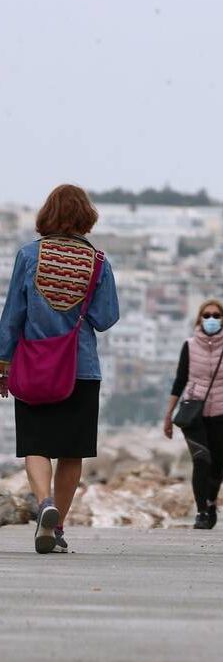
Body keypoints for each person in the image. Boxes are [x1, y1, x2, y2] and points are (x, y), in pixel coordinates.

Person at [0, 184, 119, 554]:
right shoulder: (98, 262)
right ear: (87, 217)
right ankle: (57, 528)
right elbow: (105, 317)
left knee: (35, 444)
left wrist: (3, 364)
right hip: (80, 369)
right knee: (72, 452)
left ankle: (44, 504)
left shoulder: (28, 255)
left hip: (34, 365)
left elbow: (12, 317)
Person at [164, 299, 223, 529]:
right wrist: (168, 414)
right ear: (199, 319)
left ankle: (212, 502)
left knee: (218, 464)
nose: (211, 319)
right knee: (201, 460)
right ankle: (201, 511)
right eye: (207, 315)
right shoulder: (189, 346)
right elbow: (179, 381)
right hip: (194, 412)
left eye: (216, 315)